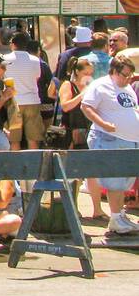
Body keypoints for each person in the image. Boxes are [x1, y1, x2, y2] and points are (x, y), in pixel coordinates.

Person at [81, 52, 139, 235]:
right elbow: (86, 106)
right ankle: (115, 218)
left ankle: (119, 215)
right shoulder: (100, 85)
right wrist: (104, 124)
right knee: (114, 180)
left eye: (130, 75)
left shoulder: (127, 87)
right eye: (125, 74)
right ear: (114, 71)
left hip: (128, 141)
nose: (128, 78)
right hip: (107, 138)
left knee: (123, 182)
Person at [58, 56, 104, 219]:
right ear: (76, 72)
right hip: (71, 133)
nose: (89, 75)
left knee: (91, 171)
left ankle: (97, 210)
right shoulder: (67, 85)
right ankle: (73, 209)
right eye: (86, 73)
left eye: (91, 73)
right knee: (72, 173)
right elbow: (65, 106)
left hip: (87, 131)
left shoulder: (91, 86)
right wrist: (82, 94)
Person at [5, 31, 52, 150]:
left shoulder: (5, 59)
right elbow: (37, 77)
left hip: (13, 101)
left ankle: (16, 164)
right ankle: (34, 165)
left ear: (13, 44)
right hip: (32, 100)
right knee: (33, 138)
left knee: (14, 139)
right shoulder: (36, 60)